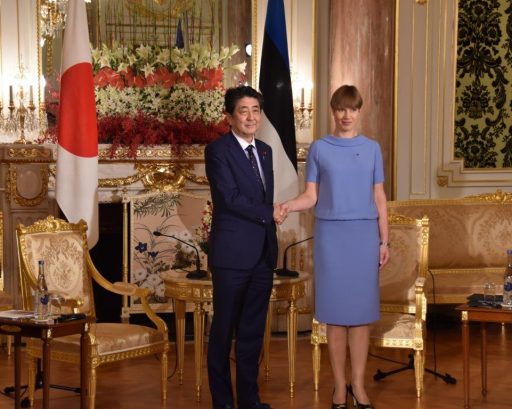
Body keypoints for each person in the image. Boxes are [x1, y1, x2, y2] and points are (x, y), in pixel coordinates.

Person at [275, 85, 390, 409]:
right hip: (331, 239)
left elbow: (379, 197)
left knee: (361, 315)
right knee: (335, 316)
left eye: (352, 109)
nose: (346, 115)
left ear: (359, 111)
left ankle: (359, 385)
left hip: (364, 236)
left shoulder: (372, 149)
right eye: (340, 109)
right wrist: (286, 205)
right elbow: (311, 196)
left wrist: (385, 240)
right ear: (333, 111)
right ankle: (340, 388)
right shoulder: (318, 149)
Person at [205, 85, 277, 409]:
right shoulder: (218, 151)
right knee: (222, 333)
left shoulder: (265, 151)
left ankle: (250, 401)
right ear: (230, 116)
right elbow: (229, 198)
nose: (251, 117)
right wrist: (270, 213)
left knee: (251, 335)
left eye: (255, 111)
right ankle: (223, 403)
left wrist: (270, 216)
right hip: (231, 257)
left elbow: (262, 198)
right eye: (244, 111)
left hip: (262, 256)